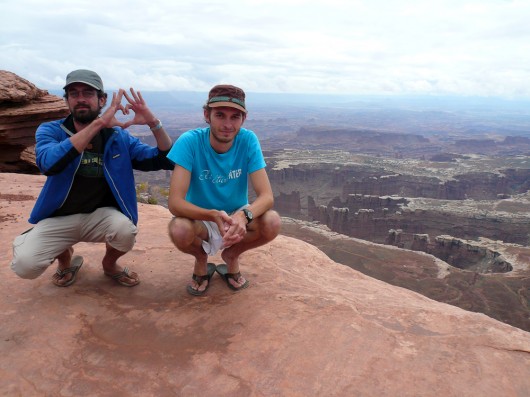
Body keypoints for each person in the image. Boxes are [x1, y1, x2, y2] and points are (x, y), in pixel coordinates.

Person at [10, 69, 174, 287]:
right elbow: (48, 163)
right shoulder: (51, 130)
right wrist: (98, 124)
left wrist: (154, 123)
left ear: (102, 99)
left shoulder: (118, 137)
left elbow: (163, 160)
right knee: (25, 266)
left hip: (100, 216)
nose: (80, 99)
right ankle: (66, 259)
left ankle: (109, 264)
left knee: (125, 231)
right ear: (66, 100)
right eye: (74, 94)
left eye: (88, 93)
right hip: (59, 218)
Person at [167, 84, 281, 295]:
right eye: (220, 115)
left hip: (237, 216)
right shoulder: (189, 142)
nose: (228, 124)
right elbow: (175, 203)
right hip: (201, 220)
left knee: (272, 221)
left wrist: (243, 215)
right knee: (180, 229)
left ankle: (232, 256)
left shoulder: (248, 140)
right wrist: (211, 215)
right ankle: (201, 258)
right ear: (207, 115)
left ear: (243, 119)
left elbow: (266, 197)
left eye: (235, 117)